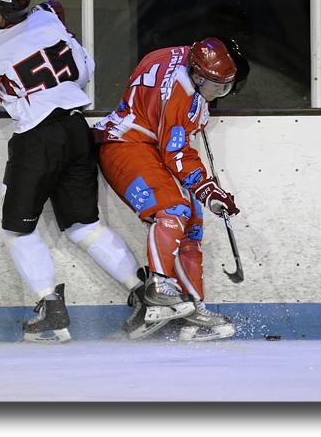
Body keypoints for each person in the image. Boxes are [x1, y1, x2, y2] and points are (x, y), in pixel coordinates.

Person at [0, 0, 193, 343]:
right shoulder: (48, 21)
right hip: (76, 131)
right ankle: (146, 295)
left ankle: (51, 309)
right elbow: (86, 70)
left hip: (37, 140)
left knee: (17, 231)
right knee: (83, 226)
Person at [93, 37, 249, 341]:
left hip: (149, 143)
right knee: (172, 210)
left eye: (224, 87)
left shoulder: (178, 54)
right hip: (125, 145)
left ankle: (194, 311)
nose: (217, 94)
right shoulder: (180, 95)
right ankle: (157, 290)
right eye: (215, 87)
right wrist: (207, 189)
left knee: (191, 223)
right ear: (197, 76)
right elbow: (175, 153)